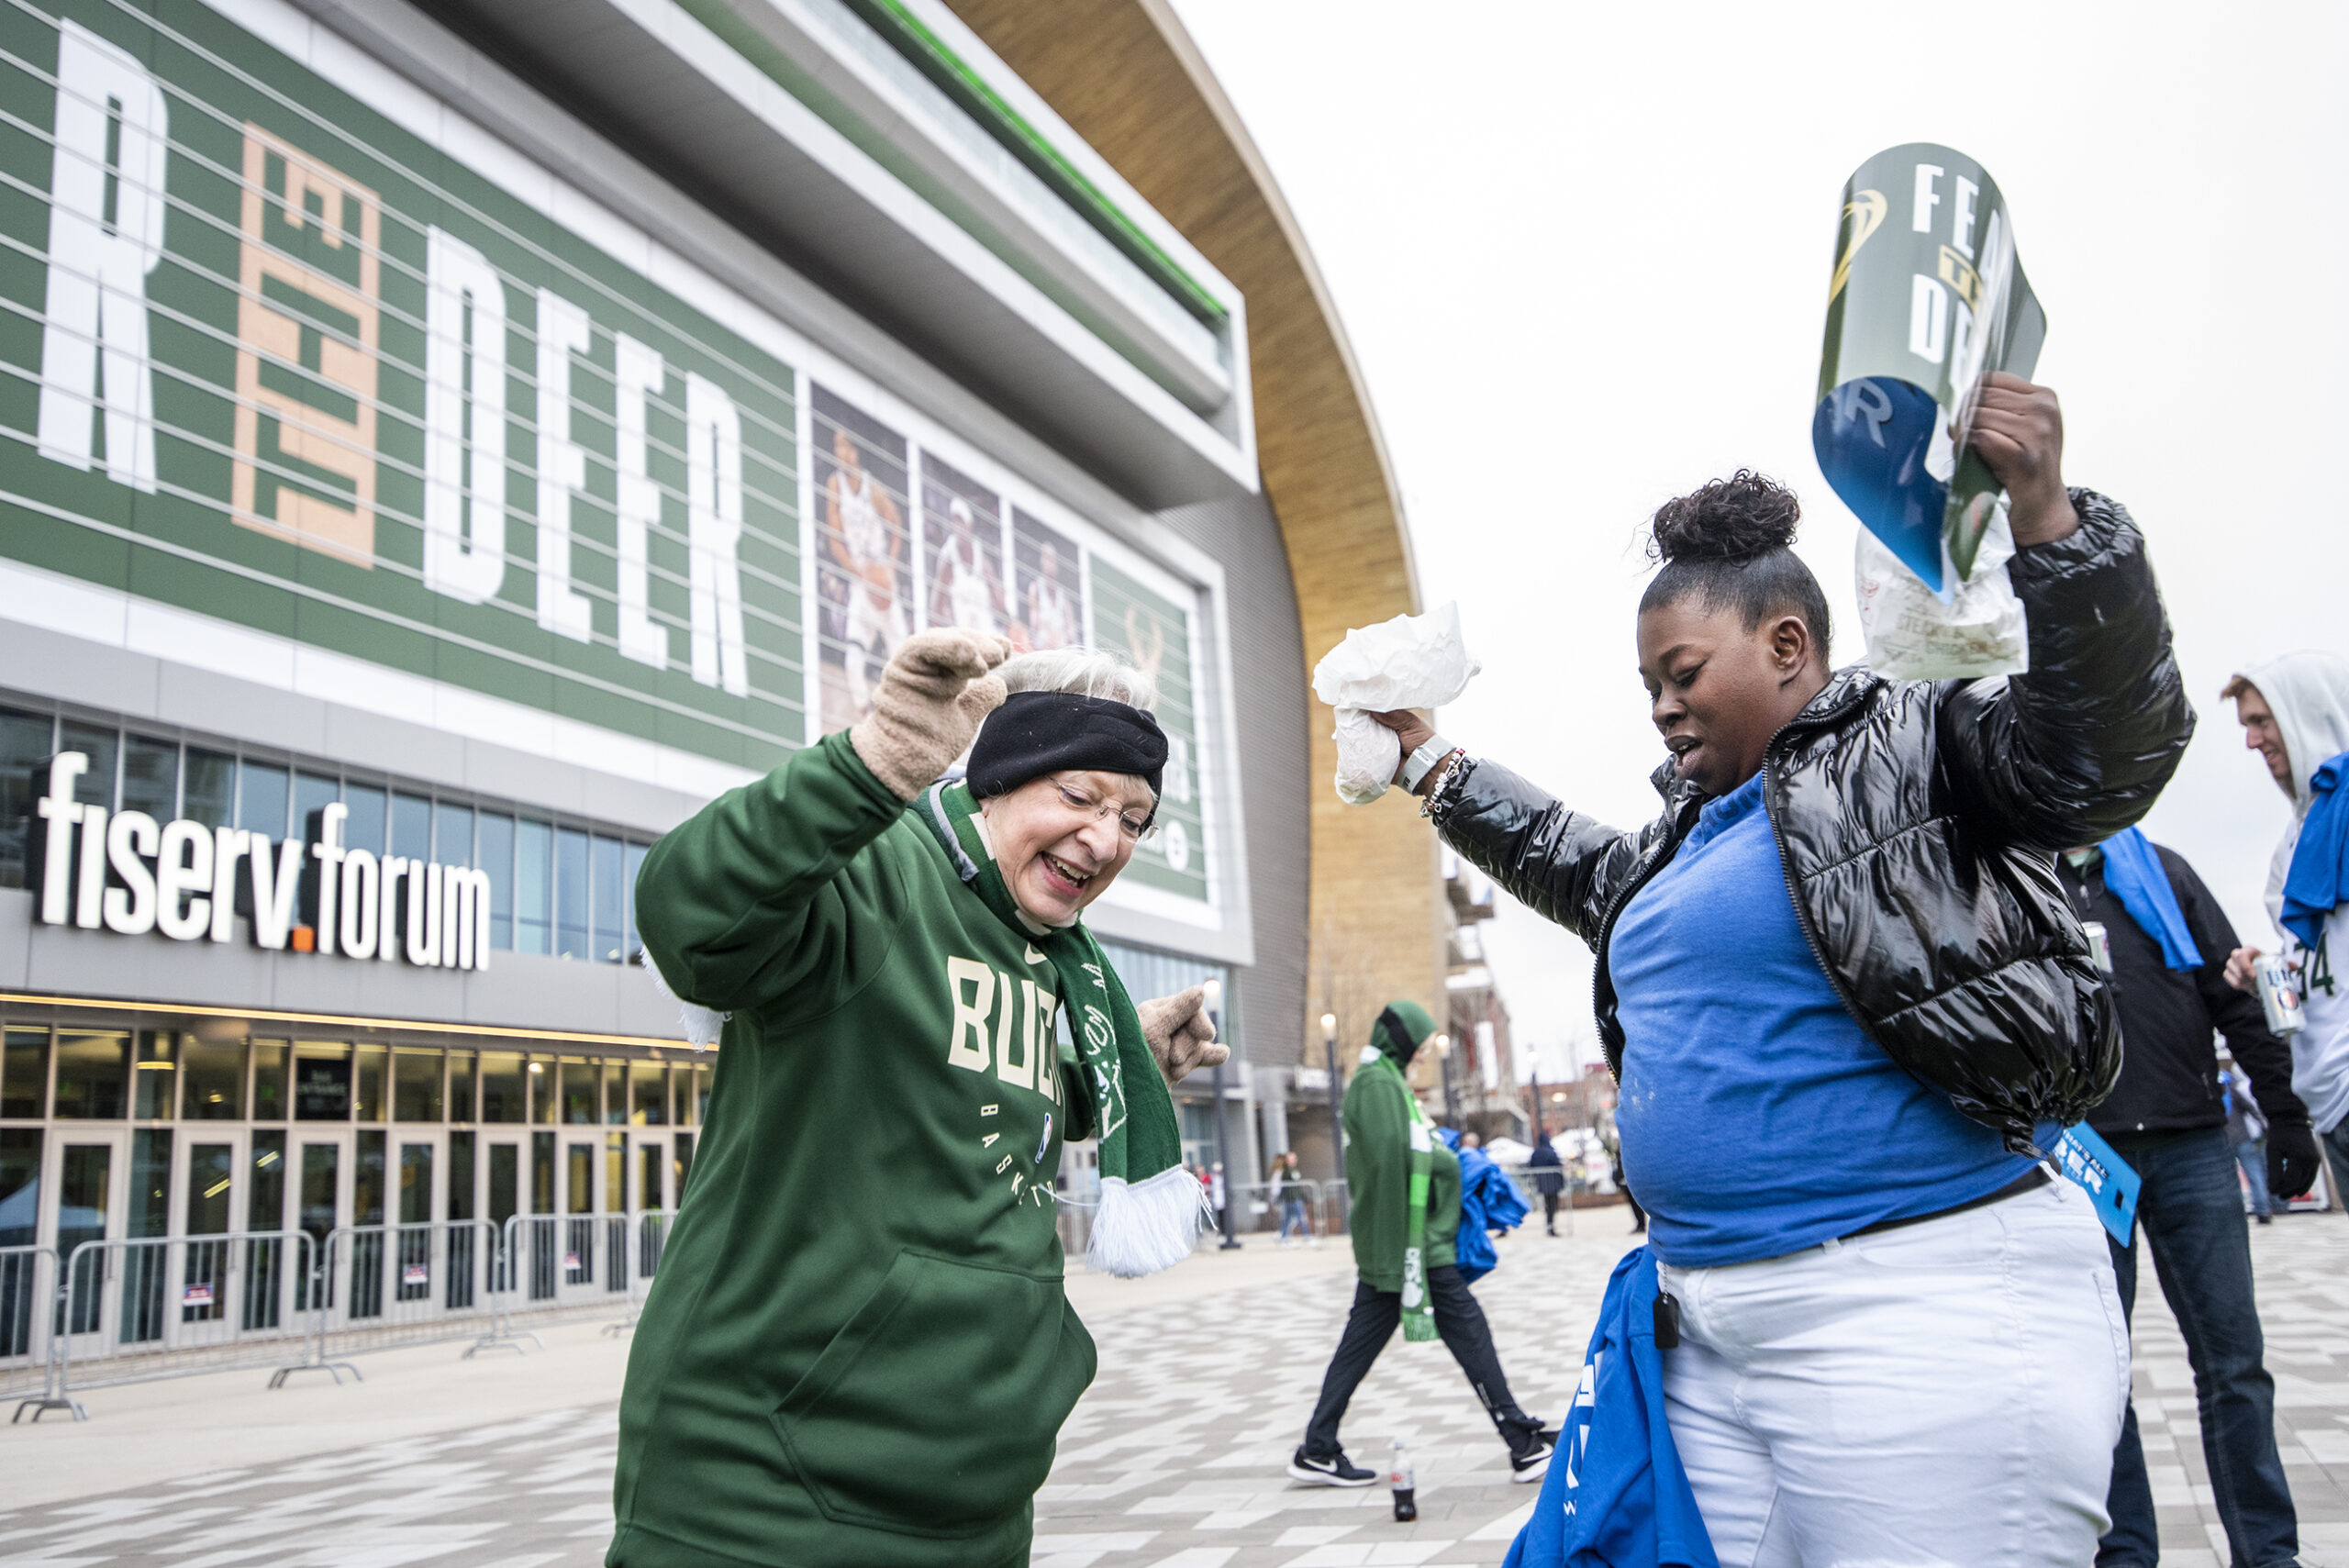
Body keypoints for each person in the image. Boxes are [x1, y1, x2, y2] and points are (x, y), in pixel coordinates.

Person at [1376, 374, 2194, 1562]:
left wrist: (2052, 525)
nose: (1660, 706)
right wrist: (1429, 765)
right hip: (1707, 1328)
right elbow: (1565, 858)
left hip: (1917, 1314)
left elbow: (2103, 753)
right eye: (1649, 683)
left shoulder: (1914, 748)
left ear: (1789, 644)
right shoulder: (1677, 841)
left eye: (1683, 671)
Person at [611, 632, 1228, 1567]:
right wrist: (872, 763)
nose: (1107, 838)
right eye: (1079, 795)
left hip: (975, 1507)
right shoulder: (880, 870)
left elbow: (955, 1106)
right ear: (1001, 774)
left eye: (1134, 817)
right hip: (765, 1504)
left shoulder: (1045, 952)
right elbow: (687, 915)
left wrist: (1109, 1072)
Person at [2057, 830, 2317, 1568]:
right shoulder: (2020, 871)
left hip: (2194, 1142)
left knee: (2234, 1362)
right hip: (2085, 1157)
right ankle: (2126, 1552)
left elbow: (2235, 998)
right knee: (2102, 1373)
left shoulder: (2164, 873)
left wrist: (2284, 1111)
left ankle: (2267, 1551)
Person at [1290, 1001, 1555, 1489]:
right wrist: (1453, 1162)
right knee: (1468, 1331)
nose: (1420, 1054)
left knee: (1368, 1345)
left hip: (1400, 1239)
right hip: (1407, 1241)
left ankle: (1319, 1446)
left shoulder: (1385, 1079)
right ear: (1400, 1041)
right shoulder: (1375, 1084)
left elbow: (1414, 1145)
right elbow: (1400, 1155)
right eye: (1417, 1044)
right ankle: (1521, 1442)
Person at [2219, 653, 2349, 1193]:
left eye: (2261, 721)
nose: (2251, 741)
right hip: (2331, 1103)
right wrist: (2267, 977)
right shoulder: (2291, 845)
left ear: (2305, 713)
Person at [824, 427, 907, 717]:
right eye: (836, 445)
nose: (839, 452)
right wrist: (858, 571)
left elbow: (896, 525)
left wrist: (890, 567)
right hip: (862, 582)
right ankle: (868, 718)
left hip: (883, 581)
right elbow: (835, 541)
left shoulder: (873, 489)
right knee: (853, 661)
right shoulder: (835, 484)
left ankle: (903, 717)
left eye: (844, 445)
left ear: (856, 451)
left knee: (905, 663)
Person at [2223, 1062, 2273, 1222]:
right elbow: (2251, 1109)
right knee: (2255, 1175)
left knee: (2227, 1180)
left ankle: (2234, 1215)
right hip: (2244, 1139)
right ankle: (2263, 1211)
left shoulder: (2209, 1094)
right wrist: (2265, 1127)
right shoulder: (2233, 1091)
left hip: (2223, 1143)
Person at [1595, 1100, 1643, 1234]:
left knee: (1637, 1203)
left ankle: (1641, 1224)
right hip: (1625, 1176)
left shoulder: (1631, 1139)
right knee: (1633, 1203)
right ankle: (1640, 1224)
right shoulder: (1621, 1141)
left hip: (1631, 1176)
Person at [1528, 1131, 1566, 1236]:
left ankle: (1549, 1226)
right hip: (1553, 1184)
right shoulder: (1550, 1152)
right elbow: (1558, 1165)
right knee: (1553, 1206)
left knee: (1548, 1206)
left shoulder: (1536, 1153)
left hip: (1542, 1184)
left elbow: (1531, 1166)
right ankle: (1551, 1227)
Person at [1271, 1151, 1313, 1242]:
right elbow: (1289, 1186)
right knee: (1301, 1217)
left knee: (1288, 1219)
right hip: (1293, 1199)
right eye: (1293, 1158)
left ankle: (1284, 1236)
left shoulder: (1286, 1171)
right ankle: (1306, 1237)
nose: (1295, 1160)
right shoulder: (1288, 1171)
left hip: (1290, 1198)